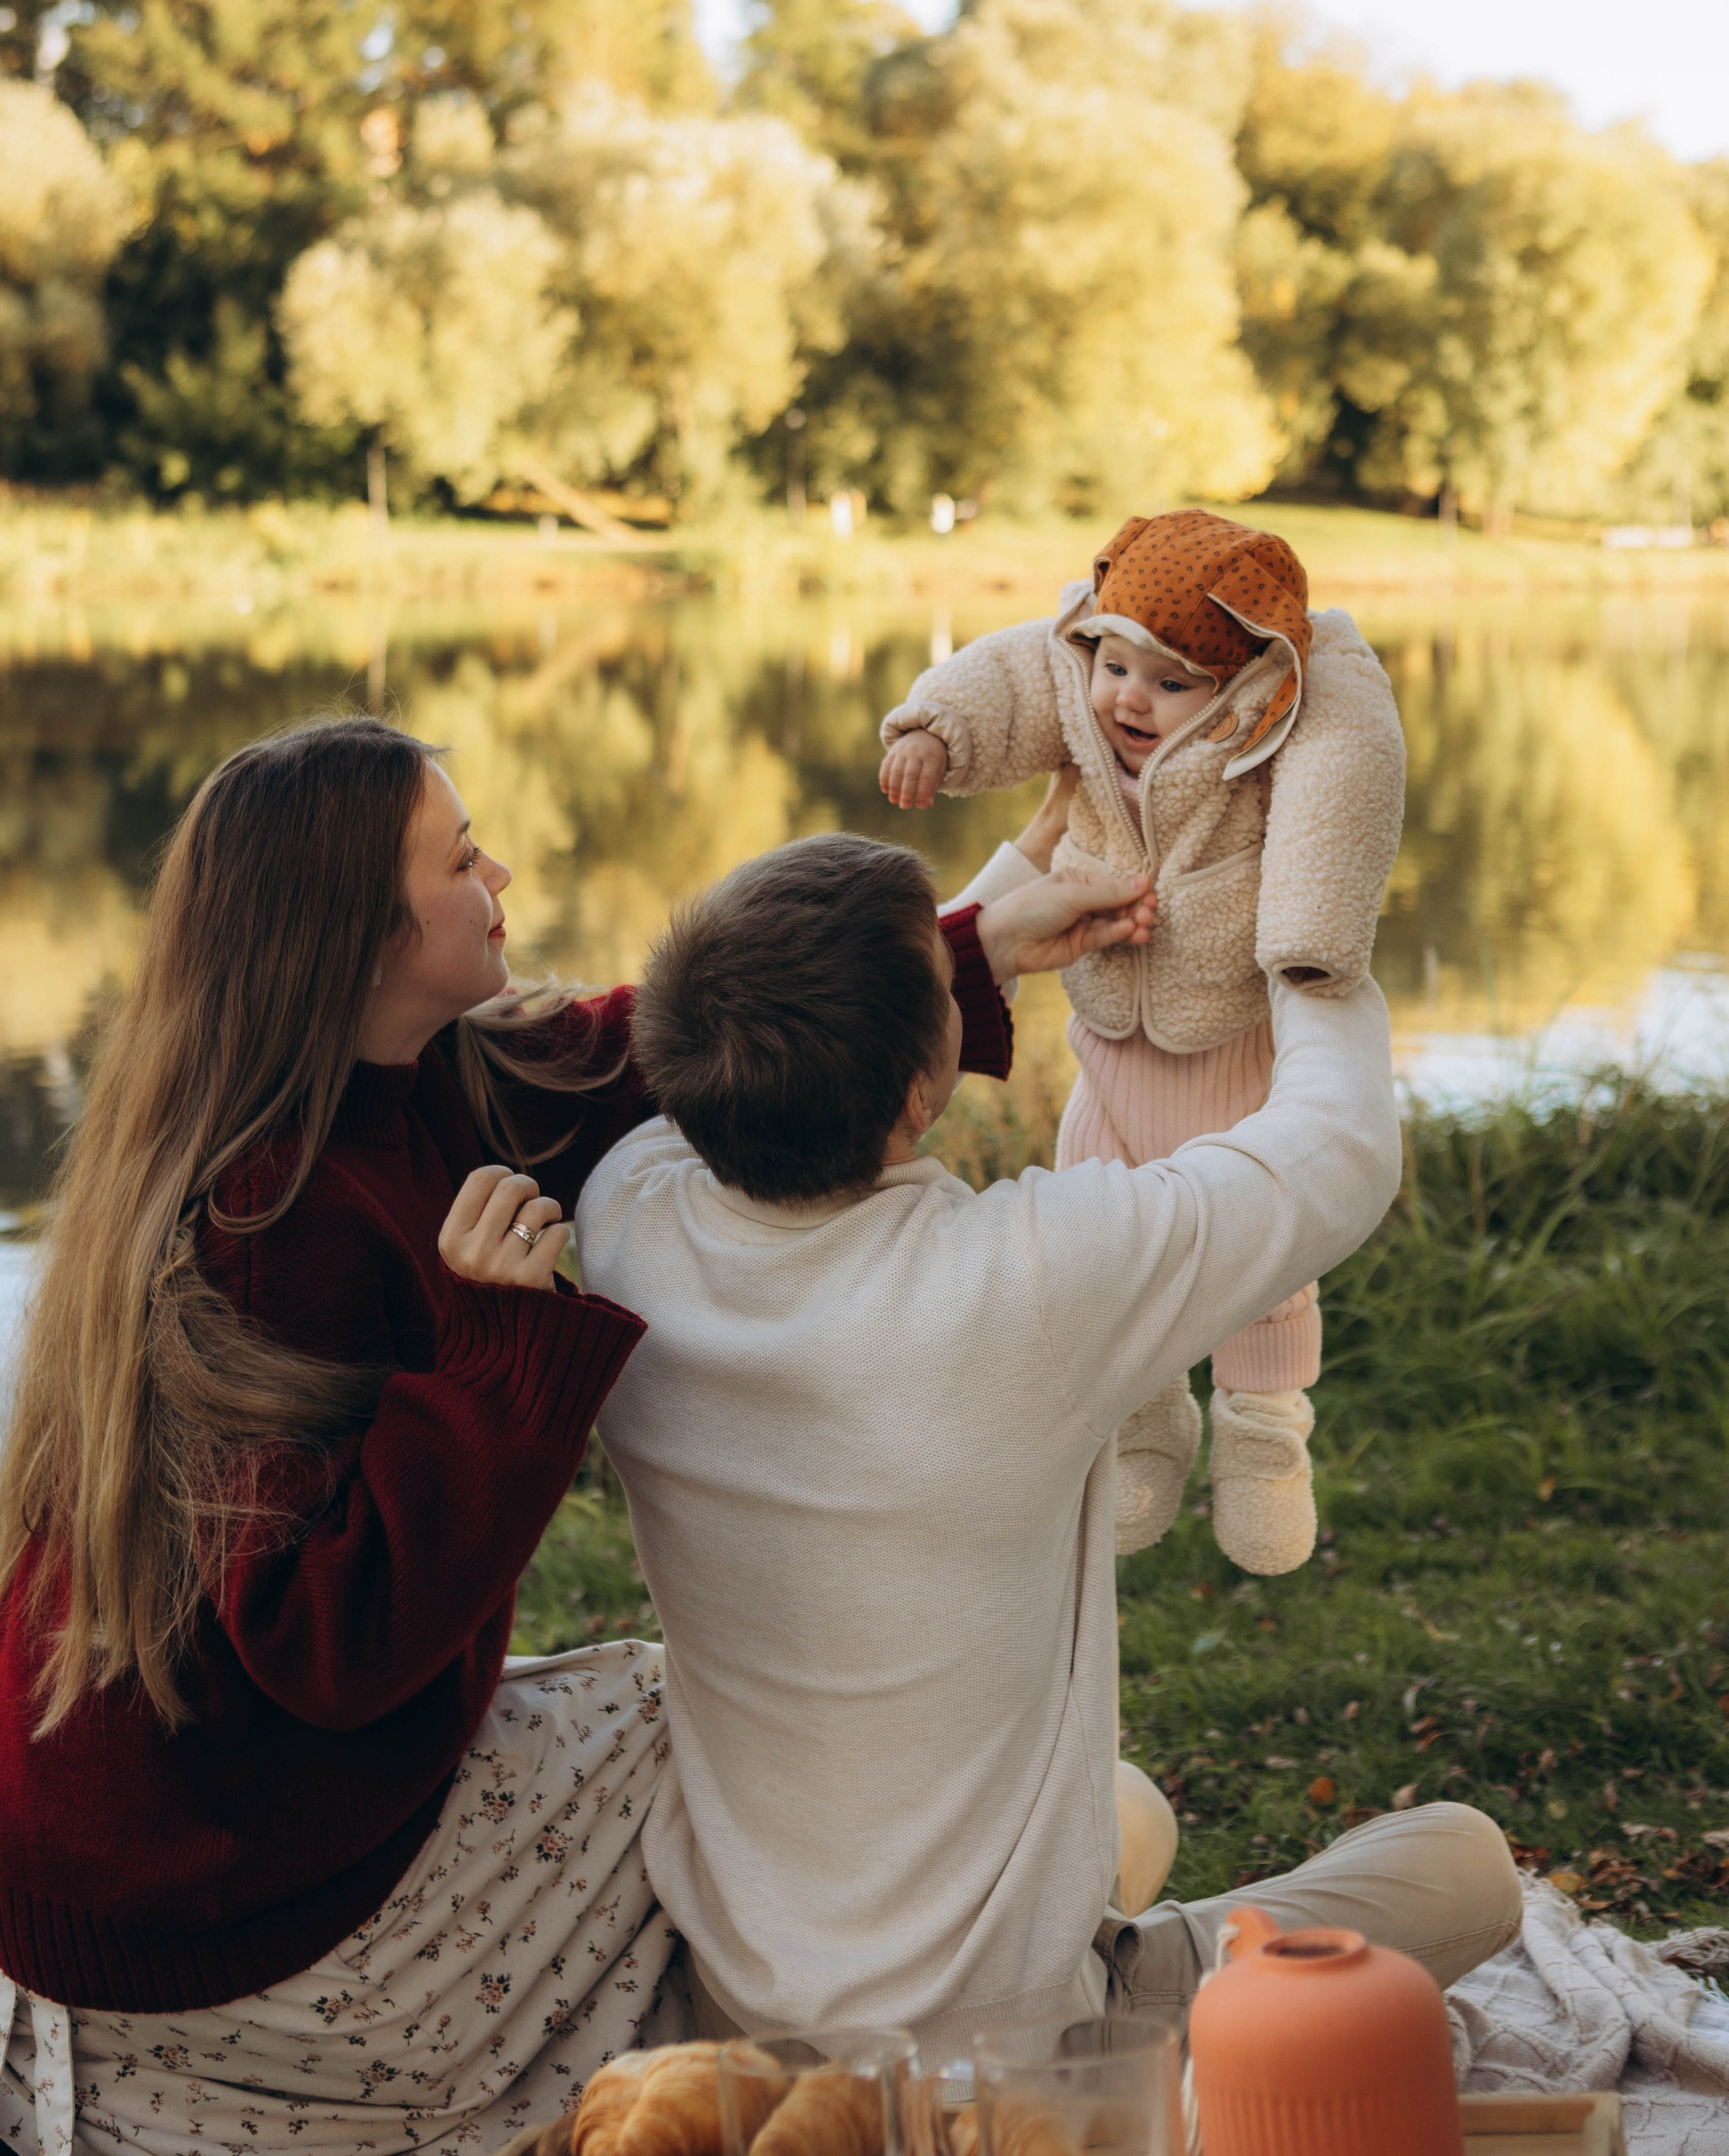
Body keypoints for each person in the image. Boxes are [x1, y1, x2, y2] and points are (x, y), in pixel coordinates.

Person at [0, 714, 1147, 2154]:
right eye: (459, 857)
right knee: (745, 1749)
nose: (500, 874)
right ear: (356, 934)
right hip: (221, 1906)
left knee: (750, 1747)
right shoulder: (257, 1228)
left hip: (240, 1819)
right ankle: (922, 2045)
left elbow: (638, 1053)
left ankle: (969, 1972)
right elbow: (324, 1639)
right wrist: (492, 1354)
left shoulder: (408, 1072)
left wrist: (960, 947)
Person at [574, 832, 1522, 2055]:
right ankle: (1130, 2000)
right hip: (1012, 2044)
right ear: (921, 1094)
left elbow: (713, 1071)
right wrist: (1305, 948)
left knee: (1128, 1810)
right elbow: (1336, 1151)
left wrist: (974, 945)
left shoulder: (627, 1222)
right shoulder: (1025, 1287)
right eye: (943, 973)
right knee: (1471, 1865)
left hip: (749, 2008)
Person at [879, 510, 1406, 1579]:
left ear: (1241, 687)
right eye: (1116, 665)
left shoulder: (1266, 737)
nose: (1129, 698)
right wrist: (936, 728)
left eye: (1170, 683)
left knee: (1259, 1251)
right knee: (1098, 1232)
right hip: (1110, 1041)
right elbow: (1019, 674)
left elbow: (1341, 790)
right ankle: (1146, 1421)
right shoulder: (1081, 702)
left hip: (1226, 1043)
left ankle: (1263, 1436)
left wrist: (1309, 937)